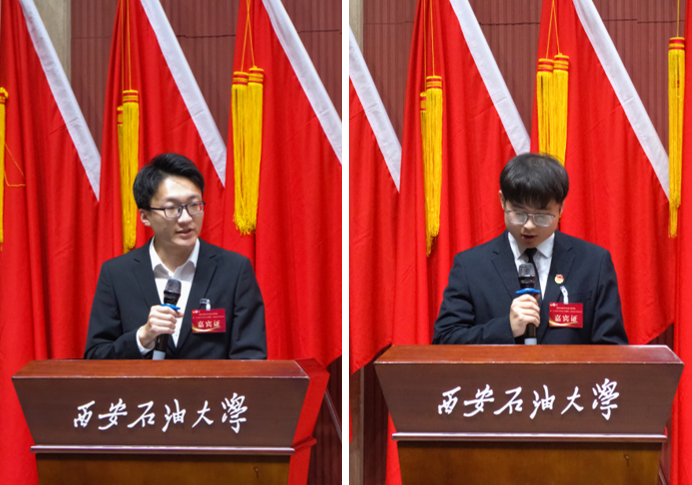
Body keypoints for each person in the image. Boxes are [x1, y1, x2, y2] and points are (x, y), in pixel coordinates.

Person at [432, 152, 628, 345]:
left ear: (560, 208)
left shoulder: (594, 263)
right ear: (502, 201)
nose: (529, 226)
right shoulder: (470, 267)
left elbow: (612, 349)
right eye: (519, 214)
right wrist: (506, 327)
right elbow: (444, 341)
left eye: (541, 216)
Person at [84, 153, 267, 359]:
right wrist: (141, 338)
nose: (186, 218)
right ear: (145, 216)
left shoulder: (234, 271)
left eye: (194, 205)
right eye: (172, 208)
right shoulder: (117, 274)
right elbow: (96, 357)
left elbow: (251, 359)